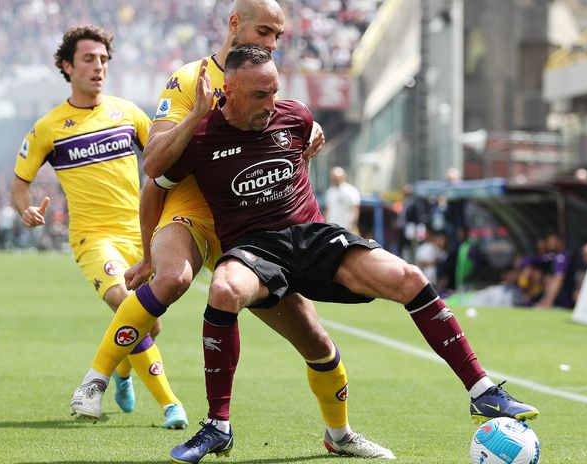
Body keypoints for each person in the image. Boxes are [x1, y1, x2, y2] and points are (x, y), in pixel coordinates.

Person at [156, 44, 539, 462]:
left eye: (274, 91)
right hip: (254, 248)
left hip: (312, 237)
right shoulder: (200, 136)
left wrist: (305, 126)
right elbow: (153, 174)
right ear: (227, 89)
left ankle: (482, 392)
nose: (270, 103)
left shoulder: (295, 116)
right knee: (225, 290)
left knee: (410, 277)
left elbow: (301, 139)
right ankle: (218, 426)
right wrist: (193, 117)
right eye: (259, 95)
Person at [86, 0, 392, 460]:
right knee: (172, 278)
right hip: (197, 214)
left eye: (277, 36)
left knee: (316, 339)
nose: (271, 43)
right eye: (264, 32)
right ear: (235, 24)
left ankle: (340, 434)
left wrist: (307, 136)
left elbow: (285, 148)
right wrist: (149, 253)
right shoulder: (191, 81)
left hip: (256, 237)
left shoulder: (267, 86)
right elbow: (155, 170)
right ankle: (98, 378)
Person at [11, 25, 188, 429]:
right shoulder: (49, 128)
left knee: (151, 323)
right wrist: (26, 210)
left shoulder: (128, 113)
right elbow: (19, 184)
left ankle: (124, 371)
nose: (98, 67)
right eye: (89, 59)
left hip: (142, 235)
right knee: (123, 302)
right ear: (67, 67)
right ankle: (170, 404)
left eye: (104, 60)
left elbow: (164, 157)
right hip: (94, 239)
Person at [324, 166, 361, 232]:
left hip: (345, 227)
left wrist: (352, 225)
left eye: (336, 178)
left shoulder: (351, 191)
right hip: (331, 226)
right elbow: (328, 209)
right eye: (333, 178)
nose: (334, 180)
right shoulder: (330, 191)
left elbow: (355, 209)